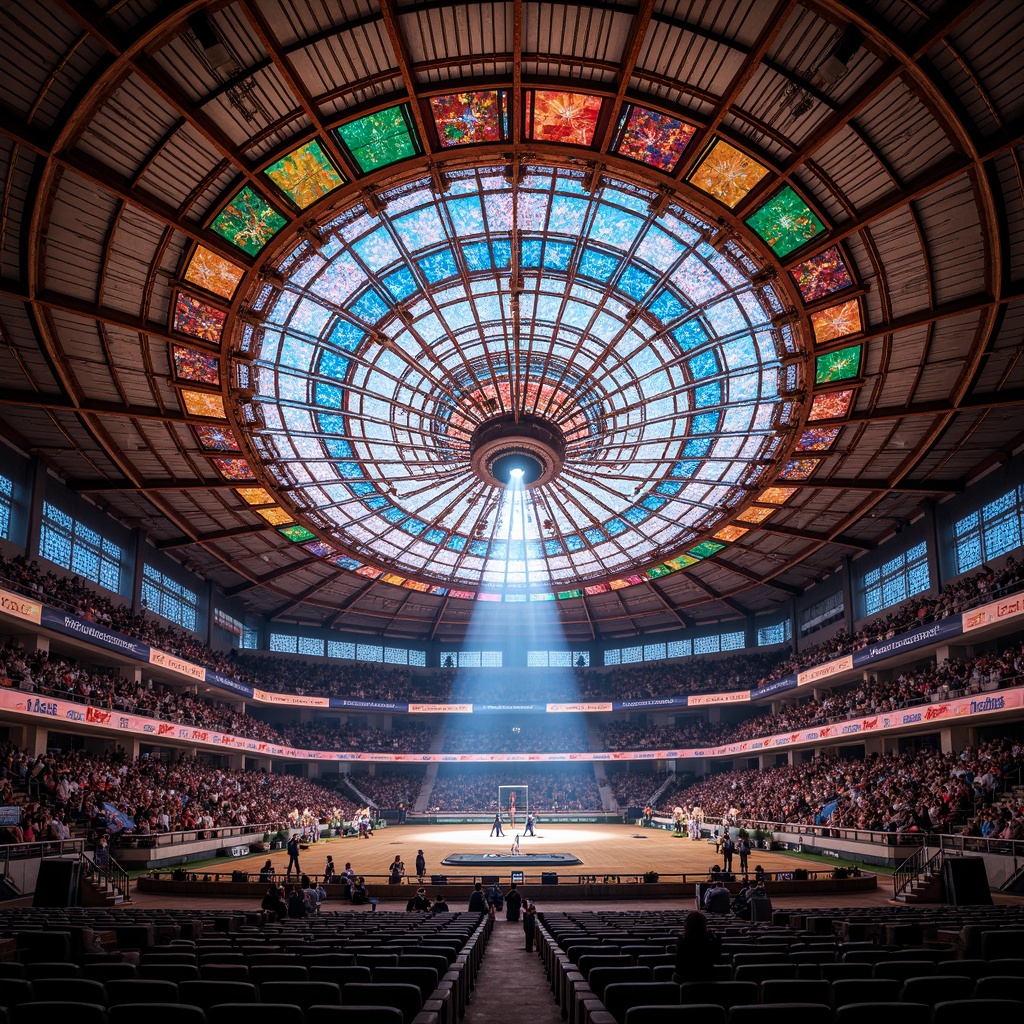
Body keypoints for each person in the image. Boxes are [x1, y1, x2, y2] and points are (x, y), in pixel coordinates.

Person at [673, 910, 722, 984]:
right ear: (704, 925)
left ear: (687, 925)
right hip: (708, 978)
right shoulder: (710, 941)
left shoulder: (682, 941)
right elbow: (718, 959)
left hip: (686, 979)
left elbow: (679, 967)